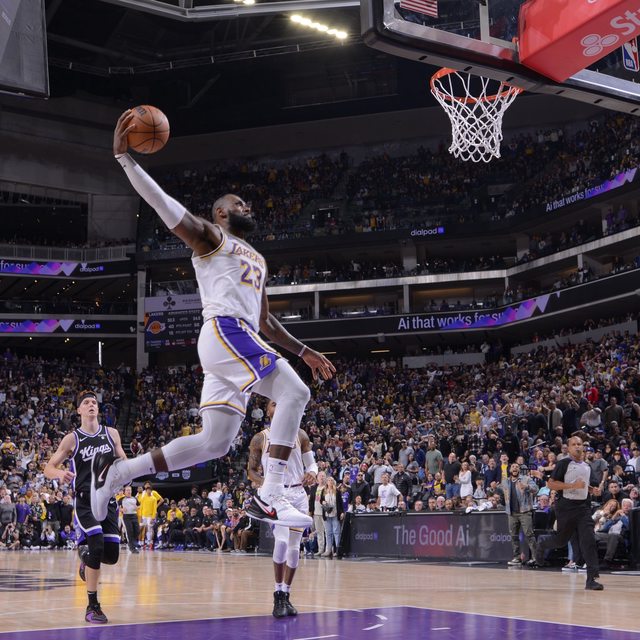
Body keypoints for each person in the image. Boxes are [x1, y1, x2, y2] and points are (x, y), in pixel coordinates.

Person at [91, 111, 335, 529]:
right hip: (225, 331)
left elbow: (266, 322)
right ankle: (271, 493)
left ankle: (122, 471)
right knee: (295, 391)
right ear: (221, 213)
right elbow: (164, 204)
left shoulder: (258, 258)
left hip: (238, 338)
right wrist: (124, 159)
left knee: (215, 442)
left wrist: (305, 351)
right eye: (238, 203)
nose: (246, 206)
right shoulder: (212, 237)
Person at [43, 390, 126, 624]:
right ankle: (93, 606)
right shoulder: (72, 439)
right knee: (97, 544)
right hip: (85, 500)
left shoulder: (112, 434)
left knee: (111, 556)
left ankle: (86, 557)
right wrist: (60, 474)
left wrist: (127, 472)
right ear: (79, 410)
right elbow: (48, 467)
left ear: (98, 409)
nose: (91, 405)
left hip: (108, 499)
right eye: (86, 403)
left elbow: (123, 460)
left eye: (94, 402)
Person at [247, 400, 318, 618]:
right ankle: (277, 593)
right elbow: (251, 471)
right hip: (276, 496)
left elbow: (311, 463)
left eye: (281, 404)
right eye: (273, 404)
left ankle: (286, 593)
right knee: (282, 542)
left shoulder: (300, 434)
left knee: (295, 547)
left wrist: (313, 472)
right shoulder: (260, 438)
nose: (278, 407)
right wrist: (265, 484)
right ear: (267, 411)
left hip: (298, 494)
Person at [533, 436, 604, 590]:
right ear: (569, 448)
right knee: (561, 541)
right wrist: (572, 486)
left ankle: (591, 579)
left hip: (583, 508)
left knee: (589, 541)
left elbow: (584, 486)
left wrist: (593, 490)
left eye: (580, 444)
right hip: (565, 507)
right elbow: (551, 484)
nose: (578, 446)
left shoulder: (587, 466)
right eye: (574, 444)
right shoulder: (564, 463)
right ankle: (542, 543)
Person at [501, 462, 540, 566]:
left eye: (517, 467)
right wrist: (493, 488)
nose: (515, 468)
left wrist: (526, 487)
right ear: (510, 470)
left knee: (529, 535)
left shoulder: (526, 479)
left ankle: (536, 558)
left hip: (524, 512)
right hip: (511, 513)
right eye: (513, 467)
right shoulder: (505, 481)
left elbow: (536, 489)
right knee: (513, 536)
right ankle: (517, 557)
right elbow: (501, 492)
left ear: (519, 470)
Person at [118, 485, 140, 553]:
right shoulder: (121, 499)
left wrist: (137, 508)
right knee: (130, 531)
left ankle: (133, 543)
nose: (129, 491)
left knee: (137, 531)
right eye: (127, 490)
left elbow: (139, 505)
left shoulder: (134, 498)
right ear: (124, 492)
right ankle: (132, 547)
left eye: (130, 490)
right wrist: (121, 509)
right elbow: (117, 507)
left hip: (134, 516)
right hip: (126, 516)